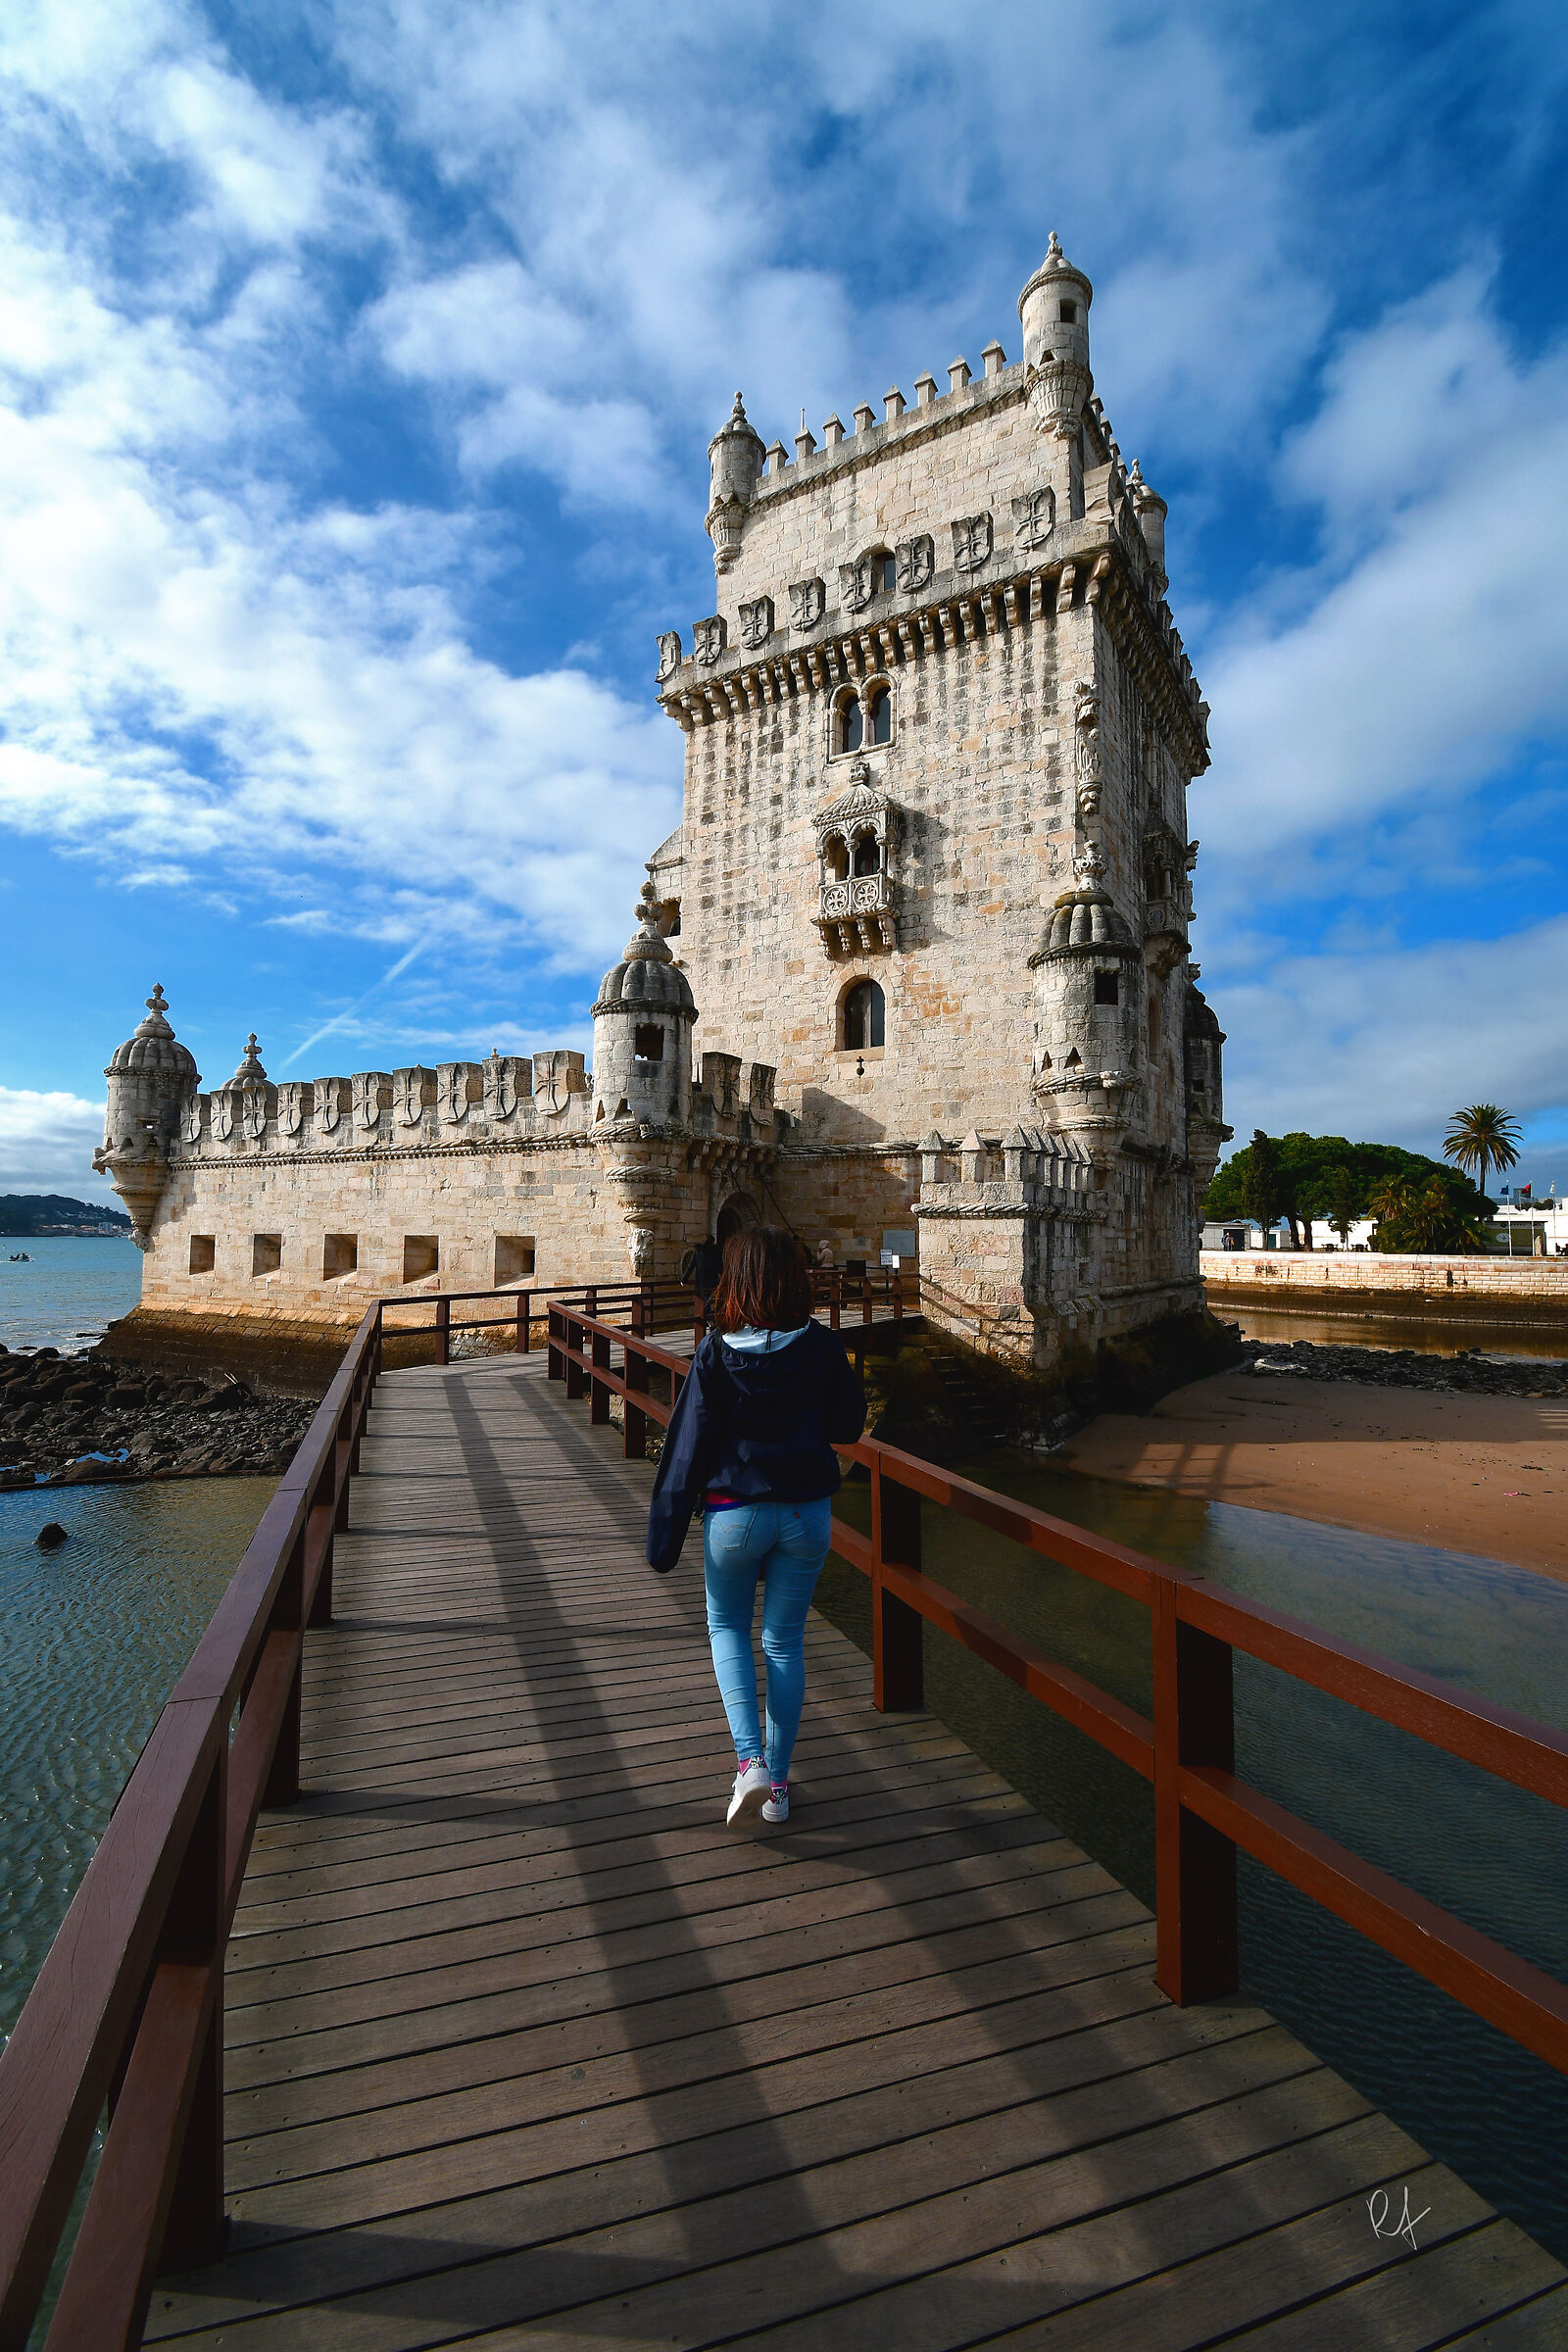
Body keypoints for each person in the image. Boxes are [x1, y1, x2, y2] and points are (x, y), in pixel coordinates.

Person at [647, 1226, 865, 1827]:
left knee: (726, 1630)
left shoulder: (716, 1352)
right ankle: (780, 1787)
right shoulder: (821, 1346)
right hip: (804, 1514)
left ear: (733, 1282)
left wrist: (663, 1539)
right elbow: (848, 1425)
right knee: (784, 1644)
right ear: (796, 1280)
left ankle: (750, 1763)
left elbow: (686, 1447)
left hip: (732, 1515)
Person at [679, 1232, 724, 1316]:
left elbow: (690, 1266)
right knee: (710, 1300)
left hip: (701, 1282)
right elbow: (720, 1267)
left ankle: (707, 1318)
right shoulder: (715, 1252)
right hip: (712, 1281)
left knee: (703, 1301)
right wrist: (724, 1279)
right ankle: (710, 1319)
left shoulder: (699, 1252)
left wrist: (684, 1280)